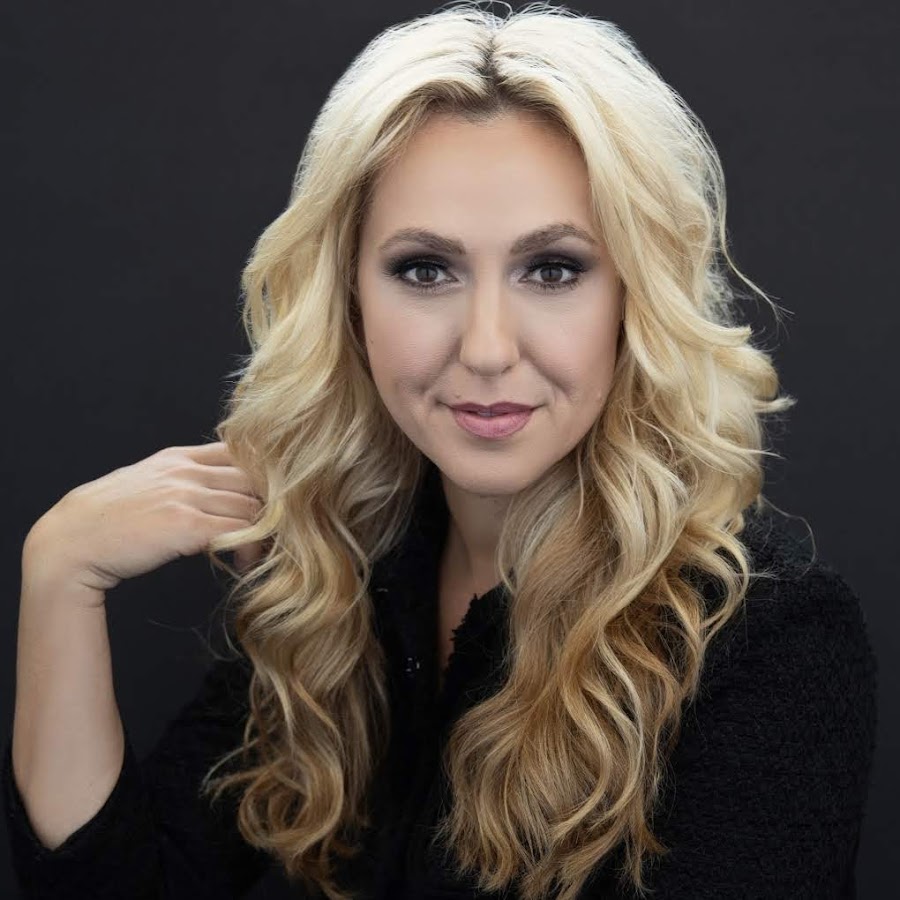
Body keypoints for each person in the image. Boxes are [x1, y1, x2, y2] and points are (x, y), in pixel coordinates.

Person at [4, 2, 878, 899]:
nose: (487, 349)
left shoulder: (766, 636)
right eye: (425, 269)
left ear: (634, 298)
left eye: (553, 269)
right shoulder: (344, 579)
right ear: (348, 299)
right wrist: (59, 574)